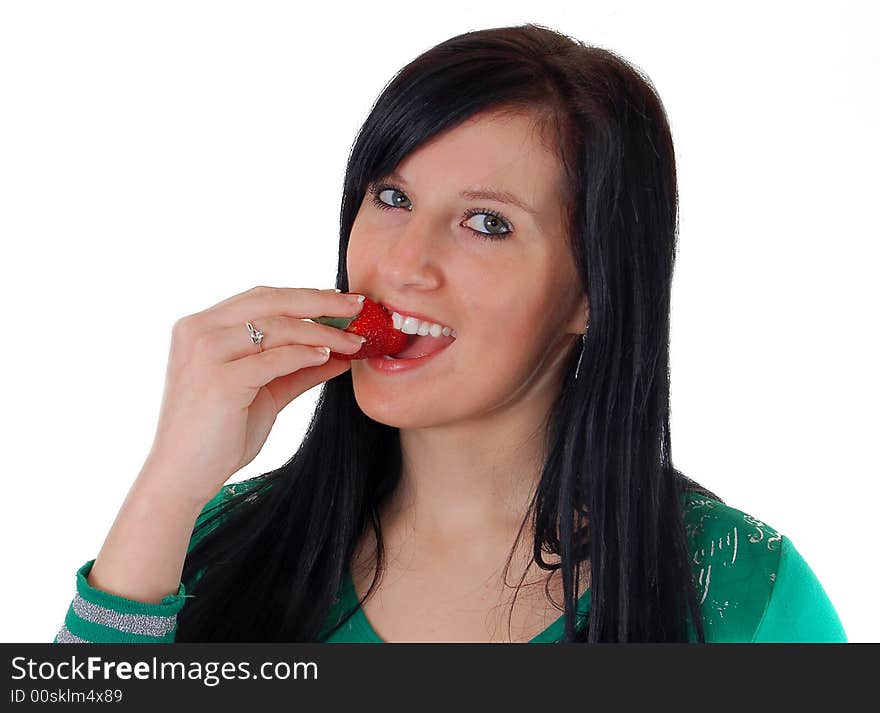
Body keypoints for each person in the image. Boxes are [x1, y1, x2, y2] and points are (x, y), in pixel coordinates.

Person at [53, 23, 846, 644]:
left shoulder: (746, 594)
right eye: (392, 198)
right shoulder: (213, 546)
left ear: (596, 292)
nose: (403, 262)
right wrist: (167, 489)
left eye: (486, 223)